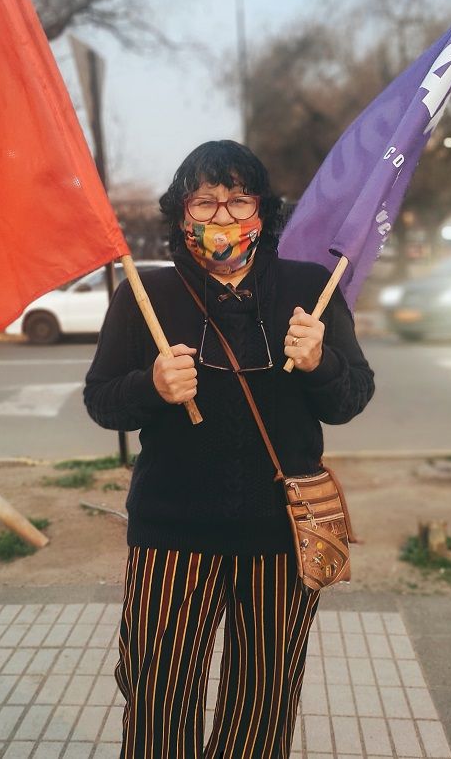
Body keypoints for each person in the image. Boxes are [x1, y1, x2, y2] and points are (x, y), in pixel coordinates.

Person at [83, 140, 375, 757]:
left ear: (263, 212)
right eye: (205, 202)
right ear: (180, 213)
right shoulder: (144, 295)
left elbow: (350, 399)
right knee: (160, 696)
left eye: (238, 201)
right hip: (172, 536)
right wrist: (153, 387)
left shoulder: (309, 287)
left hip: (279, 536)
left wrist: (320, 362)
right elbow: (101, 401)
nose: (222, 218)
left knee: (265, 702)